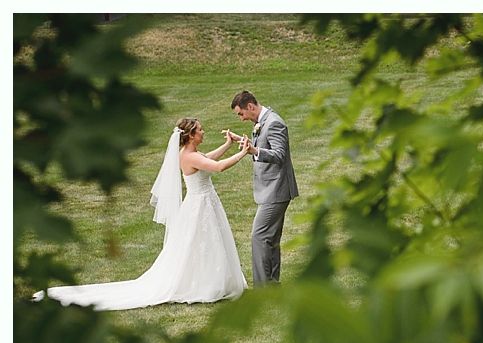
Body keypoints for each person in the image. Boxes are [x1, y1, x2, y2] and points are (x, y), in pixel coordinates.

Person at [34, 118, 250, 310]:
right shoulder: (190, 157)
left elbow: (208, 159)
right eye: (200, 130)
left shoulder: (189, 154)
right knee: (201, 244)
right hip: (200, 205)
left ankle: (211, 280)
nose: (204, 132)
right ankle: (205, 284)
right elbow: (218, 167)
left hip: (202, 203)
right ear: (191, 135)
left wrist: (228, 144)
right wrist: (242, 152)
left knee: (204, 245)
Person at [229, 90, 299, 285]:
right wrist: (247, 144)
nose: (241, 118)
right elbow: (264, 146)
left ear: (250, 106)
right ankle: (272, 284)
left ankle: (262, 288)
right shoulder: (262, 122)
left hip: (276, 190)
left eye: (241, 113)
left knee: (259, 237)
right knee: (271, 239)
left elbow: (279, 155)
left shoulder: (274, 122)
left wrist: (255, 150)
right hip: (271, 190)